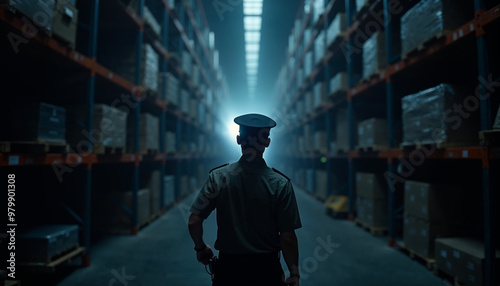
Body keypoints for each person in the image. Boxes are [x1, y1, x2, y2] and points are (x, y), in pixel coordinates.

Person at [188, 113, 302, 286]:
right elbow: (287, 237)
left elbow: (194, 221)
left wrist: (201, 248)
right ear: (267, 143)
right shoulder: (280, 184)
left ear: (238, 139)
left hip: (229, 270)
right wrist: (294, 273)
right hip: (266, 270)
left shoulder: (218, 177)